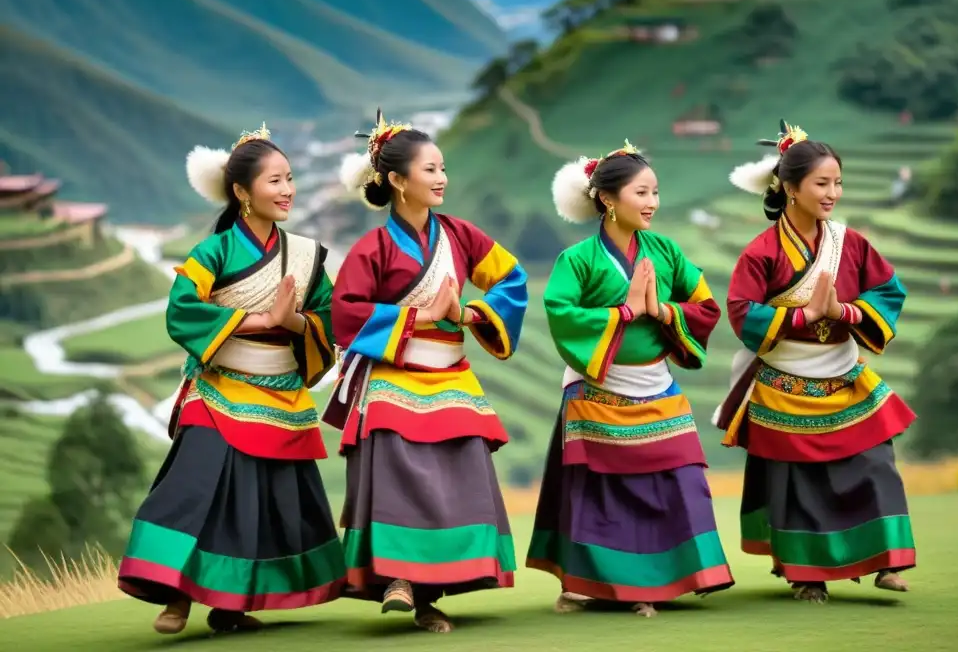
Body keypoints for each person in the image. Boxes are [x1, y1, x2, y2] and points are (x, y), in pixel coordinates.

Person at [117, 124, 345, 634]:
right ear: (242, 192)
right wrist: (257, 321)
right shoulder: (214, 252)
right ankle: (176, 595)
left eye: (290, 179)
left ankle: (231, 603)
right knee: (193, 487)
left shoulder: (306, 255)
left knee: (260, 502)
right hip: (219, 386)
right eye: (274, 181)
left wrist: (296, 324)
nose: (287, 190)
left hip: (281, 392)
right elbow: (182, 310)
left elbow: (330, 316)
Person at [322, 108, 528, 633]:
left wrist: (466, 314)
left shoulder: (460, 236)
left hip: (451, 373)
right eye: (430, 169)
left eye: (442, 168)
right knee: (396, 475)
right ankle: (397, 578)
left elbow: (512, 280)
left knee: (460, 478)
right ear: (396, 180)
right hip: (393, 374)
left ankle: (433, 589)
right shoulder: (373, 248)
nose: (441, 178)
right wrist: (422, 316)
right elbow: (344, 311)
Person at [526, 141, 734, 618]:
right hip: (597, 388)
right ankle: (600, 584)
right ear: (608, 199)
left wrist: (660, 309)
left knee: (681, 478)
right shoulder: (577, 260)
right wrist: (624, 312)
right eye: (642, 192)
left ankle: (683, 573)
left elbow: (704, 307)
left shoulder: (667, 251)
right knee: (605, 492)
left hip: (657, 383)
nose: (652, 203)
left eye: (655, 192)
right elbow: (561, 313)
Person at [714, 120, 918, 603]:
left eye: (838, 183)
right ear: (790, 188)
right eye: (822, 184)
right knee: (799, 483)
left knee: (876, 462)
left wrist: (843, 311)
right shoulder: (761, 253)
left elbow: (889, 291)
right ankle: (807, 574)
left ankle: (886, 561)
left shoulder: (852, 243)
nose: (833, 193)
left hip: (843, 372)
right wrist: (804, 316)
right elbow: (742, 312)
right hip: (786, 381)